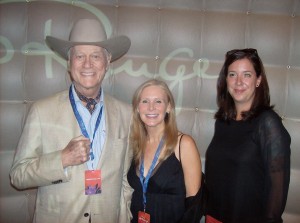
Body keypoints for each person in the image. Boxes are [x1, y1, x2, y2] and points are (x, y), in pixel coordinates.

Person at [10, 19, 133, 223]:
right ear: (69, 62)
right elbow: (18, 175)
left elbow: (126, 179)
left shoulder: (127, 114)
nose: (87, 64)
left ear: (107, 61)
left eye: (95, 56)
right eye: (79, 56)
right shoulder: (42, 111)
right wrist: (62, 159)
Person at [205, 48, 291, 223]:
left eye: (247, 75)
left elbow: (277, 191)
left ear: (258, 80)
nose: (238, 82)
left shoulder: (268, 123)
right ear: (225, 80)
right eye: (232, 74)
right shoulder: (222, 121)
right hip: (214, 217)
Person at [127, 79, 202, 223]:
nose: (151, 108)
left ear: (168, 107)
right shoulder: (135, 144)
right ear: (137, 108)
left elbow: (194, 206)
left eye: (158, 102)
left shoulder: (184, 144)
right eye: (145, 101)